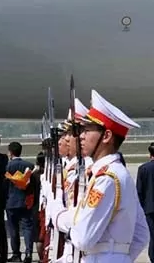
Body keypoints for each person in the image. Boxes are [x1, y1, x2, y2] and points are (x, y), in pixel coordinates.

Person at [49, 89, 149, 260]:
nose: (80, 136)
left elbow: (83, 239)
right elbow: (141, 235)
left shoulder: (107, 178)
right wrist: (119, 257)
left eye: (87, 130)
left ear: (106, 136)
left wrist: (58, 216)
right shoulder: (118, 173)